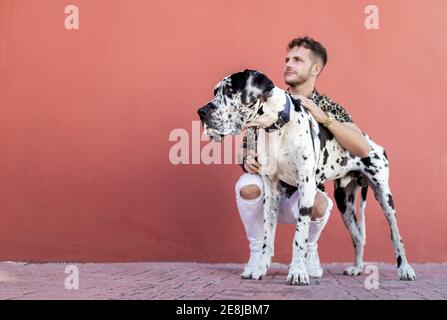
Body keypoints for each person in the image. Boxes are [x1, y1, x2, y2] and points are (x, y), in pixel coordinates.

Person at [235, 36, 371, 278]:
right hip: (271, 189)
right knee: (246, 187)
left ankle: (308, 249)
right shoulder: (271, 101)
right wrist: (247, 158)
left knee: (320, 203)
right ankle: (258, 252)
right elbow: (246, 145)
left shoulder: (328, 106)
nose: (288, 64)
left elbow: (362, 148)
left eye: (297, 60)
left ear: (315, 68)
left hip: (303, 196)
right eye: (287, 59)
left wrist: (323, 117)